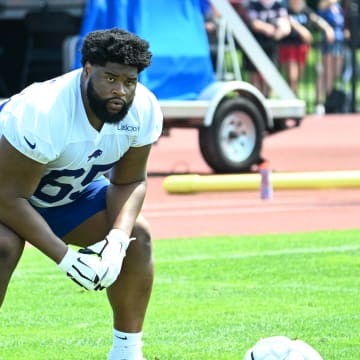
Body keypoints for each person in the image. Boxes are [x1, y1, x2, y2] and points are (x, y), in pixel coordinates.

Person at [0, 28, 163, 360]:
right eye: (111, 78)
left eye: (129, 82)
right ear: (87, 69)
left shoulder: (143, 108)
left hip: (60, 193)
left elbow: (129, 182)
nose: (120, 91)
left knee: (137, 238)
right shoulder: (44, 110)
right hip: (6, 190)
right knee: (2, 245)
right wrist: (66, 258)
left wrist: (116, 241)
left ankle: (127, 353)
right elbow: (8, 197)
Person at [278, 0, 335, 94]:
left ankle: (293, 97)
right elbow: (286, 20)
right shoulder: (285, 10)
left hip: (301, 47)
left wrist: (328, 28)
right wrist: (302, 30)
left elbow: (317, 20)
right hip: (288, 46)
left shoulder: (306, 11)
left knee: (298, 77)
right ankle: (291, 98)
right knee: (292, 76)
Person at [245, 0, 291, 96]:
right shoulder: (254, 4)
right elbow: (254, 23)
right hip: (255, 45)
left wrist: (279, 32)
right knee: (255, 74)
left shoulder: (278, 5)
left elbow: (286, 24)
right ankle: (255, 98)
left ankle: (266, 97)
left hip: (272, 46)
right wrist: (267, 28)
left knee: (270, 73)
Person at [316, 0, 350, 114]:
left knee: (336, 73)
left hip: (339, 43)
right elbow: (318, 20)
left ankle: (330, 98)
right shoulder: (325, 6)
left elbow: (341, 23)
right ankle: (320, 102)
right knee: (327, 72)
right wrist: (327, 29)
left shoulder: (338, 7)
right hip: (328, 44)